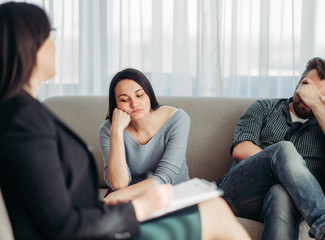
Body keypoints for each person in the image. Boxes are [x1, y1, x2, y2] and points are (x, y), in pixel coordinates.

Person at [0, 2, 251, 240]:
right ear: (27, 45)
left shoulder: (27, 112)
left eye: (139, 95)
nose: (54, 46)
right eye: (48, 36)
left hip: (104, 219)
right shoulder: (24, 121)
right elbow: (62, 225)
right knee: (215, 212)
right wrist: (138, 208)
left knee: (213, 206)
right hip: (95, 231)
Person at [218, 57, 325, 240]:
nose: (306, 96)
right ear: (299, 82)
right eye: (305, 86)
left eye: (316, 95)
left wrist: (316, 104)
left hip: (289, 201)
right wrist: (281, 165)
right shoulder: (264, 108)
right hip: (239, 194)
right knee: (284, 149)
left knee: (282, 192)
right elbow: (241, 149)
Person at [98, 68, 190, 200]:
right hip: (132, 197)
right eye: (124, 100)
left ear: (149, 94)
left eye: (139, 95)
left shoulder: (177, 119)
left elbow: (166, 177)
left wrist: (118, 195)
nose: (134, 104)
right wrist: (116, 132)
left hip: (174, 193)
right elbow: (119, 184)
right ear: (116, 104)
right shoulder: (108, 130)